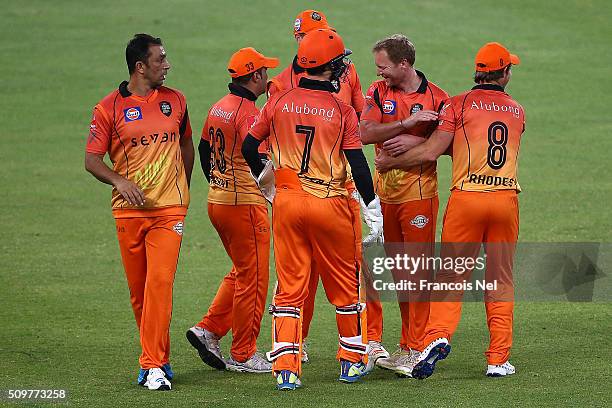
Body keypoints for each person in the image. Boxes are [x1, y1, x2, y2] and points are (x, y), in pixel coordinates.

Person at [242, 29, 383, 390]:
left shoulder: (277, 101)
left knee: (289, 288)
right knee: (345, 287)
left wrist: (266, 180)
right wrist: (372, 206)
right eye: (340, 62)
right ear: (331, 67)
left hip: (287, 205)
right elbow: (358, 163)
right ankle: (351, 363)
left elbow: (249, 145)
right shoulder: (341, 110)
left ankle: (286, 369)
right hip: (330, 205)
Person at [374, 42, 524, 379]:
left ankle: (436, 337)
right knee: (500, 279)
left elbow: (431, 151)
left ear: (478, 71)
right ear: (504, 74)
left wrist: (390, 160)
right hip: (504, 200)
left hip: (466, 200)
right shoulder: (517, 111)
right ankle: (498, 359)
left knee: (450, 277)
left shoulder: (458, 104)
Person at [84, 33, 194, 391]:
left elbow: (187, 144)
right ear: (140, 67)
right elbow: (91, 159)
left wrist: (183, 186)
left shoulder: (176, 100)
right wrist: (118, 181)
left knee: (160, 284)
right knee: (140, 293)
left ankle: (152, 367)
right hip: (129, 213)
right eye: (160, 59)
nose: (167, 65)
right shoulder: (109, 108)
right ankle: (158, 358)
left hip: (169, 211)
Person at [360, 34, 449, 377]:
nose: (379, 73)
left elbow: (443, 144)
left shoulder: (438, 98)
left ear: (404, 64)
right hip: (385, 199)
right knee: (399, 274)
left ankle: (417, 348)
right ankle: (407, 345)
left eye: (383, 67)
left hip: (419, 195)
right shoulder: (378, 91)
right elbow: (366, 132)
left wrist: (413, 143)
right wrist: (407, 126)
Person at [186, 47, 278, 374]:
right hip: (244, 207)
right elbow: (260, 160)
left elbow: (203, 148)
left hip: (218, 201)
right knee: (253, 278)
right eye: (264, 71)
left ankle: (208, 330)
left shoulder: (219, 107)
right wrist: (276, 196)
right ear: (255, 77)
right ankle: (243, 354)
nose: (268, 76)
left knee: (241, 271)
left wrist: (219, 181)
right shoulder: (250, 113)